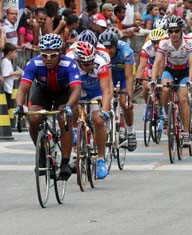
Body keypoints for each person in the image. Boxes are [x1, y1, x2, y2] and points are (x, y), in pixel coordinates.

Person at [14, 34, 82, 180]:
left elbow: (76, 90)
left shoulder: (69, 64)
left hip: (64, 93)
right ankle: (42, 154)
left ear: (60, 53)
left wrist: (69, 106)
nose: (48, 59)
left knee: (64, 118)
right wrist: (19, 106)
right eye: (44, 56)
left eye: (52, 56)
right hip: (43, 92)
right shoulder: (34, 64)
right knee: (33, 118)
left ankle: (65, 162)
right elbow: (23, 88)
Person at [67, 41, 112, 179]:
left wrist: (104, 110)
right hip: (77, 89)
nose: (90, 65)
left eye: (91, 62)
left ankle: (100, 159)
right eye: (86, 64)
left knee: (98, 121)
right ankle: (75, 129)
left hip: (95, 90)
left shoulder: (100, 64)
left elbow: (107, 90)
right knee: (71, 105)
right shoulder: (69, 62)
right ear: (78, 61)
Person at [151, 17, 192, 143]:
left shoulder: (189, 41)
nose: (173, 34)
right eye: (170, 31)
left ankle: (186, 132)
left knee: (182, 99)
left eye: (176, 31)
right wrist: (153, 80)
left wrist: (190, 80)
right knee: (165, 89)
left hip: (184, 72)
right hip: (170, 70)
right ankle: (166, 116)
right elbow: (157, 62)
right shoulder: (164, 42)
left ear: (182, 30)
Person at [98, 31, 137, 151]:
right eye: (105, 47)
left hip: (123, 75)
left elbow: (129, 77)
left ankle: (130, 132)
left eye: (111, 48)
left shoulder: (126, 51)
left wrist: (130, 97)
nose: (108, 51)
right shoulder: (100, 52)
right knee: (104, 99)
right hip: (109, 75)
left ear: (116, 46)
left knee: (125, 102)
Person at [2, 43, 21, 116]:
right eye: (15, 52)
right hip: (7, 89)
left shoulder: (9, 61)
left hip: (9, 88)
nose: (16, 54)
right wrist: (15, 73)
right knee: (7, 106)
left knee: (10, 106)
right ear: (10, 52)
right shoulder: (5, 61)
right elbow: (5, 73)